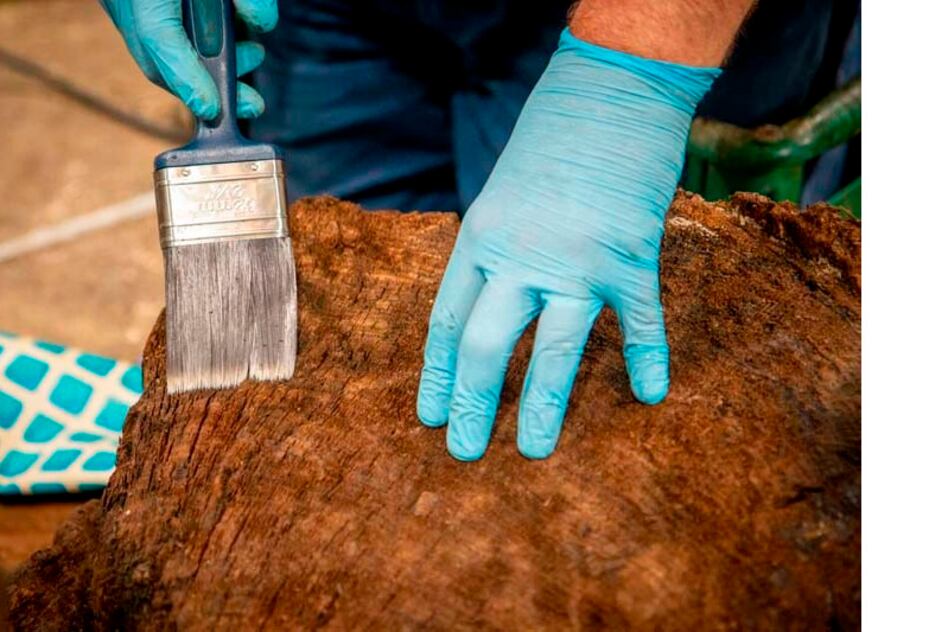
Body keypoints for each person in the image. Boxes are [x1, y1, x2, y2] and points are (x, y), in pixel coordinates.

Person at [99, 0, 852, 461]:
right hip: (321, 18)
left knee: (574, 387)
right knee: (351, 359)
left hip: (621, 31)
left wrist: (633, 70)